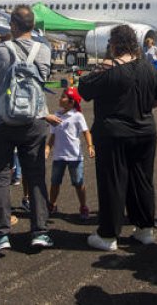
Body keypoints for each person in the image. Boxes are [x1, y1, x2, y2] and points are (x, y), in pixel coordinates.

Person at [80, 24, 157, 251]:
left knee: (113, 182)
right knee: (142, 180)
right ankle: (144, 229)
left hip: (114, 133)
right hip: (145, 130)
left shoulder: (109, 70)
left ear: (115, 44)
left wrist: (104, 65)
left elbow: (84, 89)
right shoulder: (148, 68)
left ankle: (108, 234)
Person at [0, 5, 59, 253]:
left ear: (13, 26)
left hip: (2, 120)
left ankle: (1, 233)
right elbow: (43, 79)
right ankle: (40, 231)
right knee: (35, 175)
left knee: (0, 176)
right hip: (35, 119)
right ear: (32, 25)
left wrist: (0, 99)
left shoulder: (0, 50)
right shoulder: (44, 50)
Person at [46, 87, 94, 219]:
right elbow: (53, 135)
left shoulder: (77, 116)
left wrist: (90, 145)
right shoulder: (56, 115)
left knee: (78, 182)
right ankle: (52, 204)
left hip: (75, 156)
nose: (60, 98)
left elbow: (86, 132)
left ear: (71, 102)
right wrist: (48, 148)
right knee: (55, 182)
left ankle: (83, 206)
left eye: (63, 97)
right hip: (59, 155)